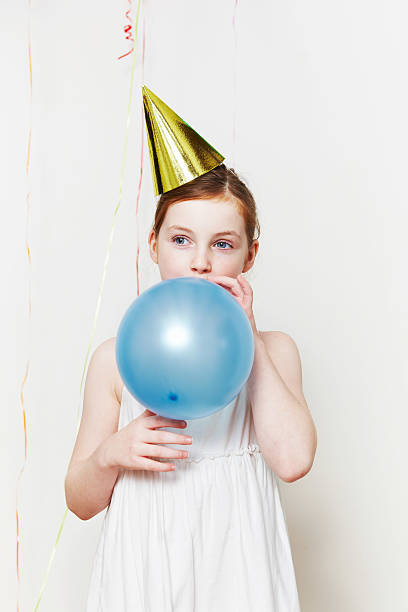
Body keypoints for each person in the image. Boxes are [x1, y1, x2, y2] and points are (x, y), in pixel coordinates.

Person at [65, 88, 317, 611]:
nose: (200, 261)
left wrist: (248, 338)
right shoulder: (115, 359)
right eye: (181, 240)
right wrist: (112, 453)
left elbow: (293, 461)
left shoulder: (275, 351)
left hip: (237, 562)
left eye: (223, 244)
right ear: (152, 243)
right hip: (146, 566)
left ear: (250, 255)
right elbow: (80, 501)